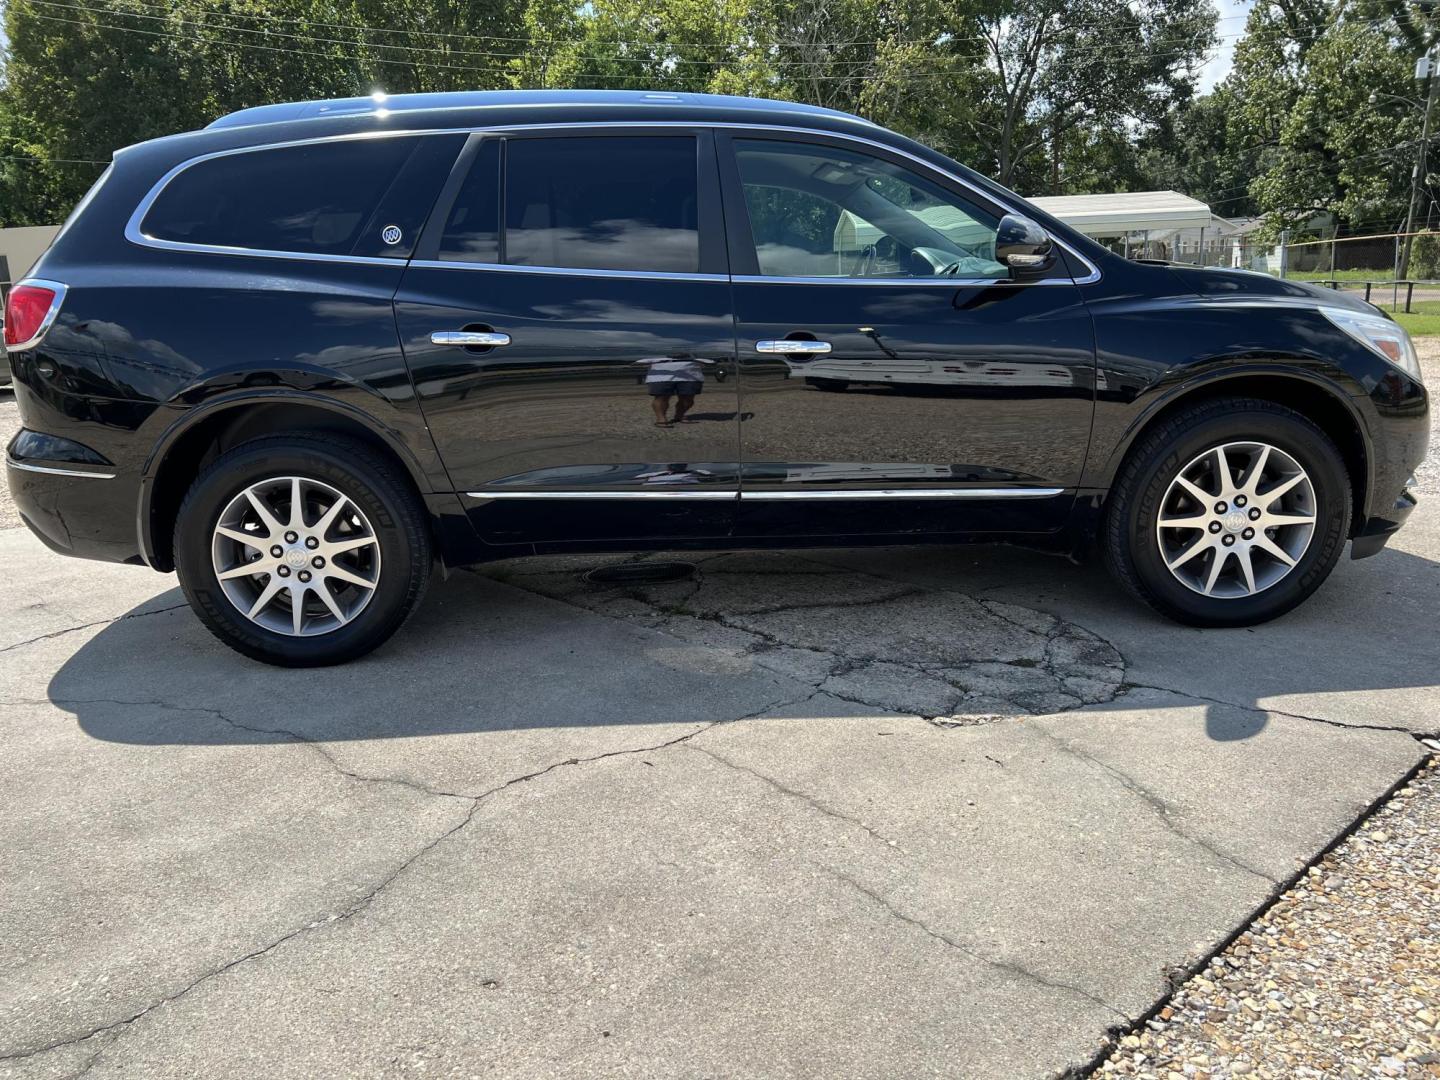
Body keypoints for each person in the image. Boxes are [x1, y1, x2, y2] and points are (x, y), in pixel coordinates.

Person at [636, 353, 711, 426]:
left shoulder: (694, 357)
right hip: (660, 377)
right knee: (661, 398)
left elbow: (710, 362)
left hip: (691, 376)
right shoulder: (657, 355)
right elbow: (637, 363)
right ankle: (661, 418)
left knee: (688, 399)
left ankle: (679, 415)